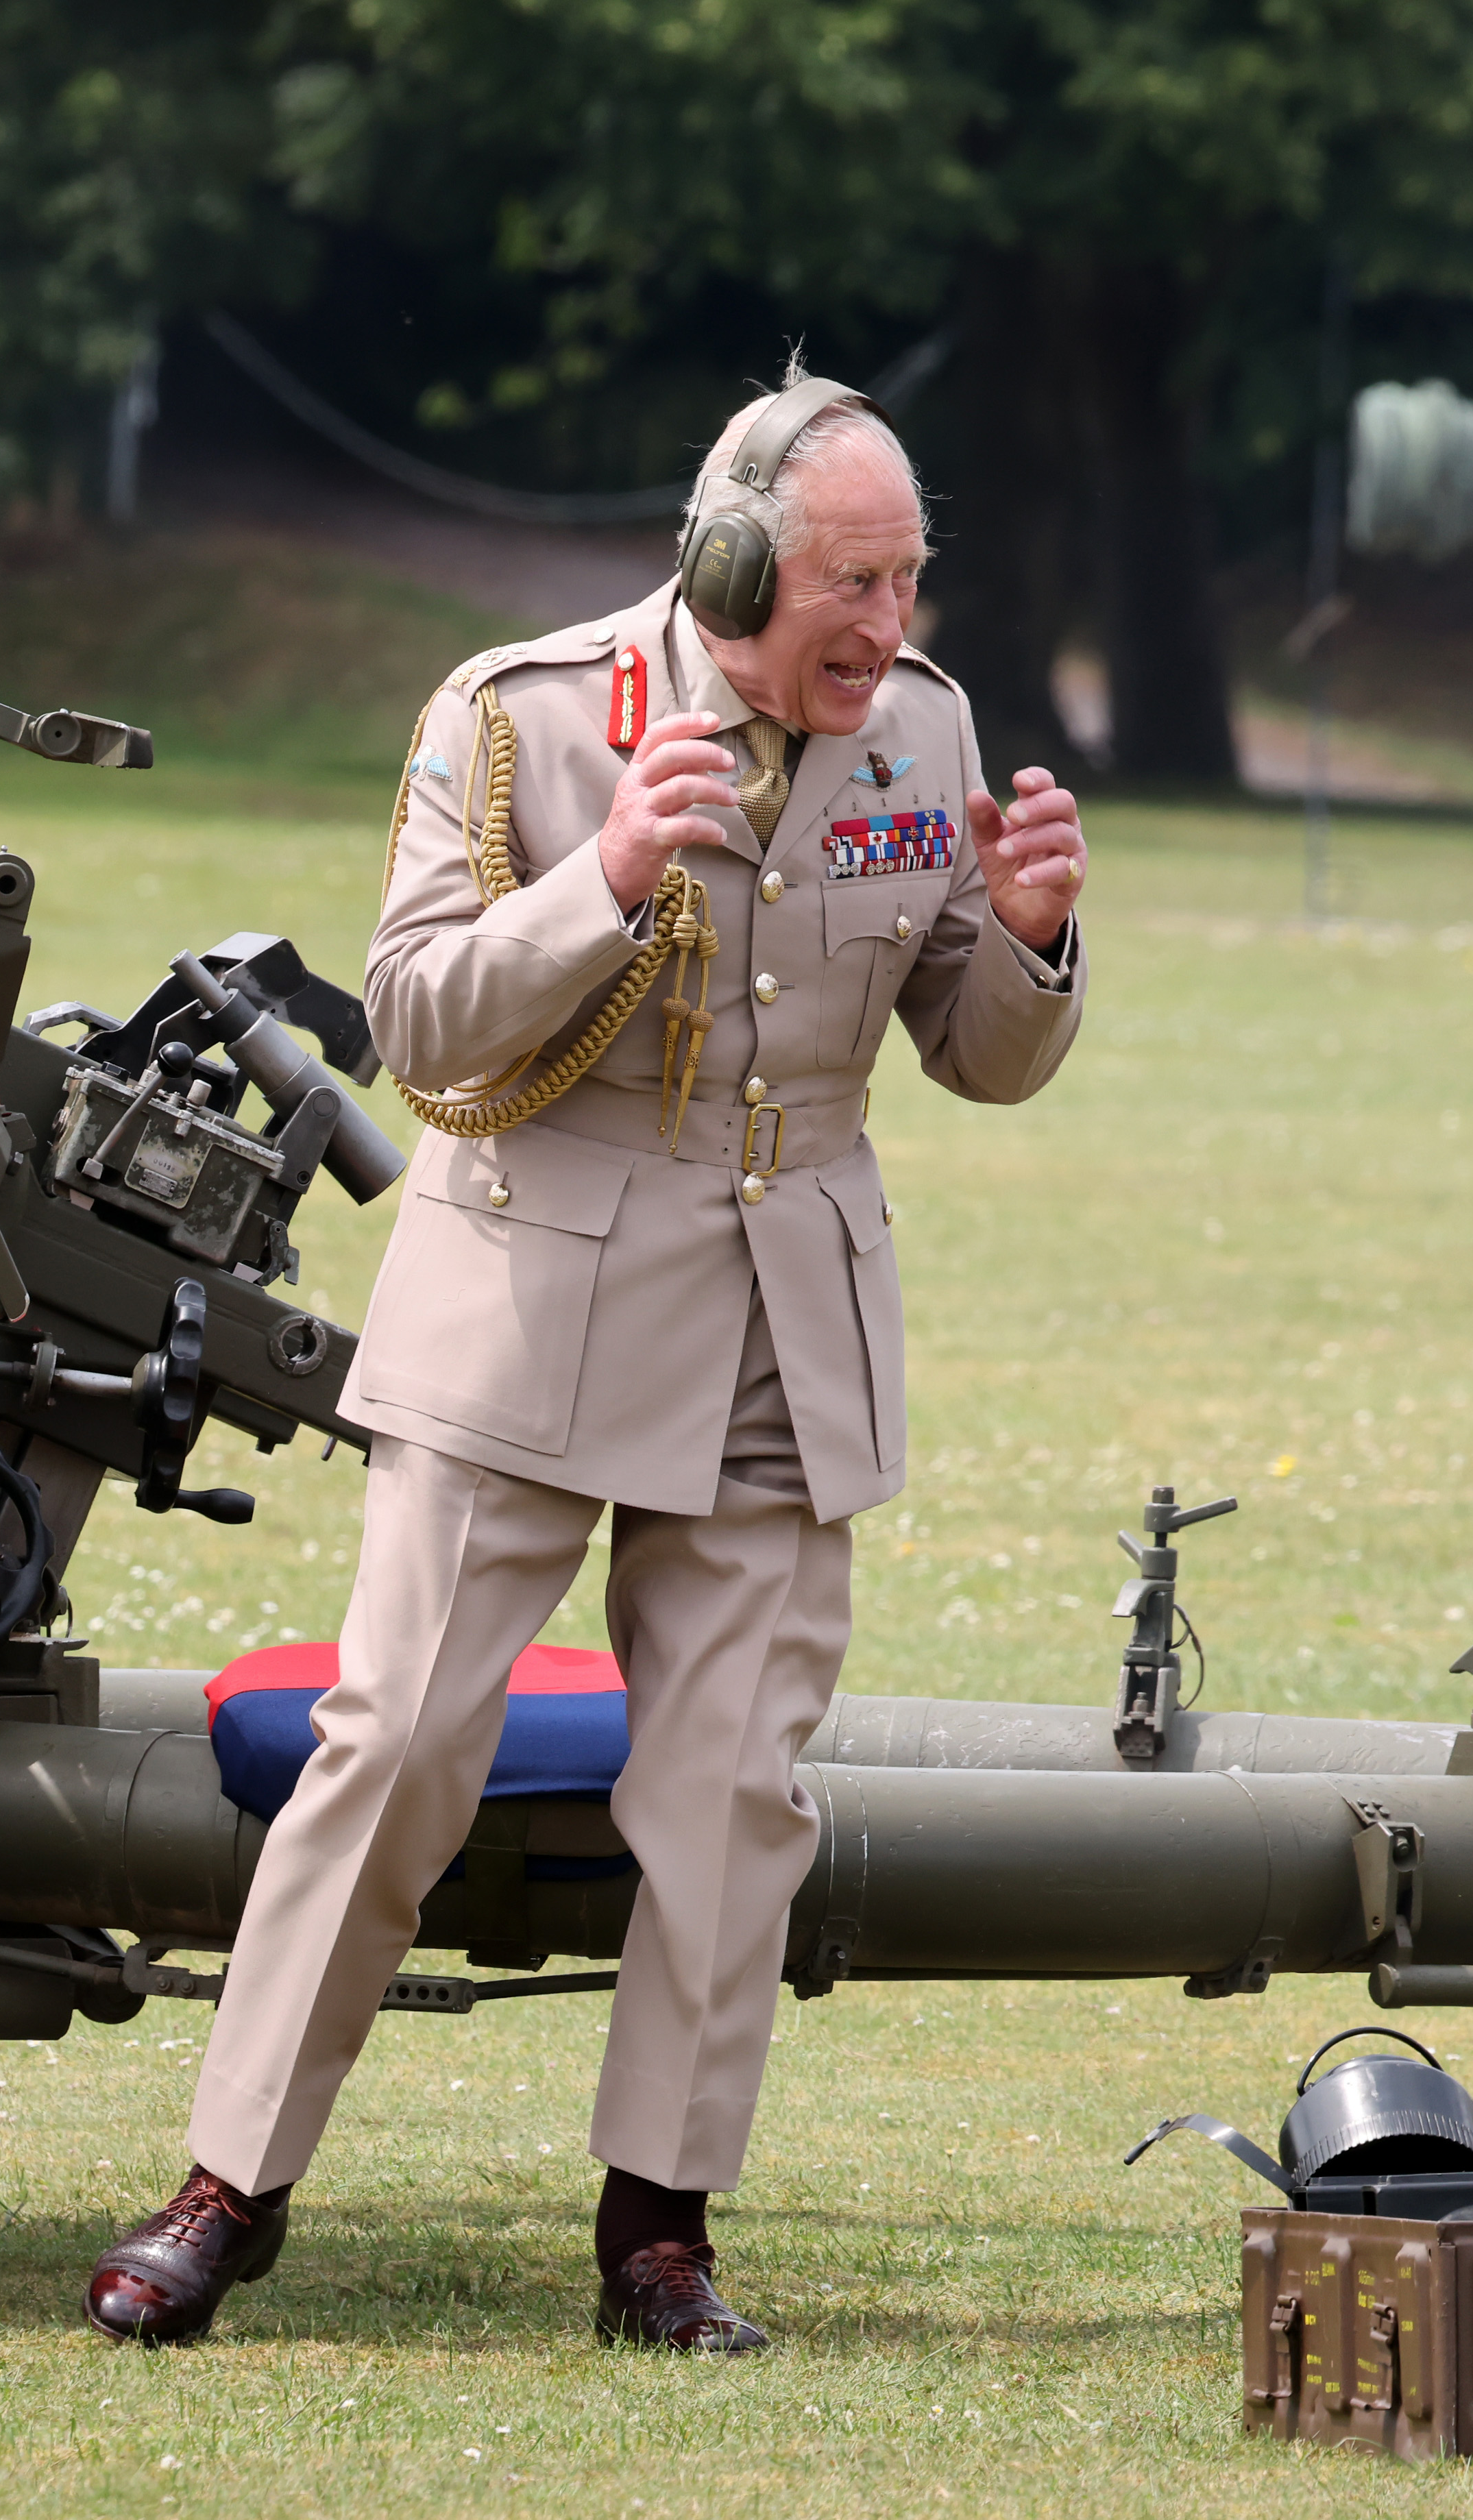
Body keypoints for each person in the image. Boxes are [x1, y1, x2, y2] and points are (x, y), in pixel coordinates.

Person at [83, 366, 1087, 2352]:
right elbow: (420, 1016)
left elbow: (974, 1053)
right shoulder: (522, 716)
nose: (887, 627)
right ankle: (229, 2185)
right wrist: (608, 875)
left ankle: (660, 2232)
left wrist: (1037, 944)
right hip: (531, 1300)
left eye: (910, 577)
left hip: (785, 1318)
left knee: (733, 1794)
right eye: (848, 583)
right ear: (728, 562)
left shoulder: (931, 728)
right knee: (396, 1750)